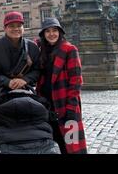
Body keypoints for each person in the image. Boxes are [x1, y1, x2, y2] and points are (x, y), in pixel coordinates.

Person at [36, 17, 87, 154]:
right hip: (48, 106)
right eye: (47, 31)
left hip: (66, 105)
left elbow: (76, 81)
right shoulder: (43, 51)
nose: (51, 34)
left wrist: (71, 107)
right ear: (43, 34)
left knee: (72, 146)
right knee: (54, 143)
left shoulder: (70, 49)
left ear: (60, 32)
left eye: (54, 30)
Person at [0, 11, 41, 112]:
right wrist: (7, 82)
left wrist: (25, 79)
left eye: (19, 25)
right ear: (5, 28)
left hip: (24, 96)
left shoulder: (32, 47)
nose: (16, 29)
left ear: (23, 27)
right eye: (12, 26)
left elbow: (38, 70)